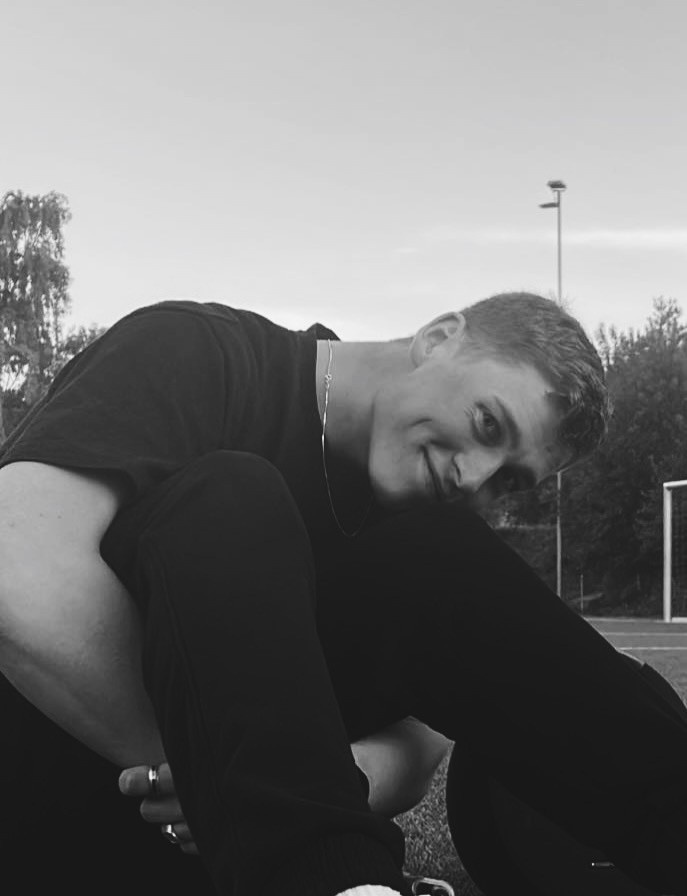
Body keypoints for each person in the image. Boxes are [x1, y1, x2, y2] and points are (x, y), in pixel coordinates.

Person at [0, 291, 684, 896]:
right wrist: (232, 774)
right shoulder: (202, 352)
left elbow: (421, 740)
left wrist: (329, 777)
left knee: (444, 554)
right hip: (59, 803)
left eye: (508, 480)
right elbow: (16, 563)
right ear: (439, 338)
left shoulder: (419, 526)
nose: (474, 478)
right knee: (234, 496)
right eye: (487, 424)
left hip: (238, 849)